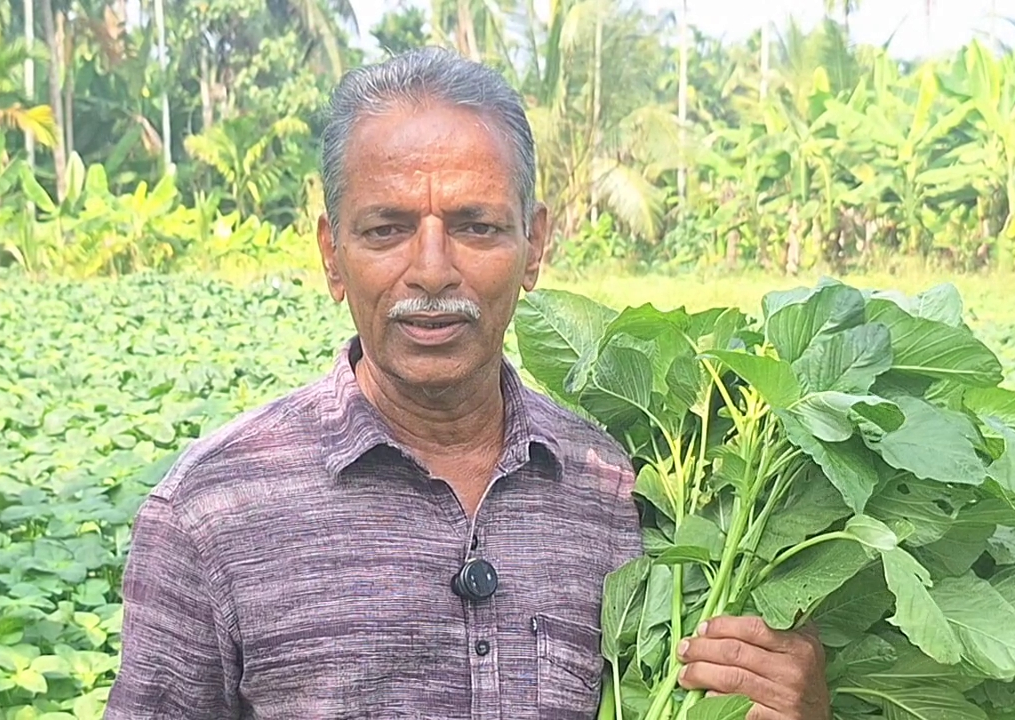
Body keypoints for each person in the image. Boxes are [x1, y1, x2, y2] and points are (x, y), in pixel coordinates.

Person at [104, 46, 830, 720]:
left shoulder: (615, 488)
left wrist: (781, 699)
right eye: (386, 229)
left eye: (476, 227)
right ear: (332, 254)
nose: (430, 270)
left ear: (534, 246)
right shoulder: (211, 512)